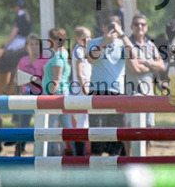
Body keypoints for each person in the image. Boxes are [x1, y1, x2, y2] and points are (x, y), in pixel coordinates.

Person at [86, 12, 138, 155]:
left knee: (115, 131)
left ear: (120, 27)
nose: (112, 30)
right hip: (97, 91)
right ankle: (96, 162)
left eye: (115, 26)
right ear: (103, 27)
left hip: (117, 92)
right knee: (97, 130)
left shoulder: (123, 44)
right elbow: (91, 59)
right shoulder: (94, 42)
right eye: (109, 26)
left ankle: (114, 161)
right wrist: (104, 43)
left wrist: (122, 34)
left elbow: (133, 55)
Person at [14, 33, 47, 156]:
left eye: (36, 44)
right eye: (31, 44)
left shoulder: (44, 61)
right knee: (23, 122)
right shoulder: (23, 60)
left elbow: (46, 81)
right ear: (26, 46)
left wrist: (32, 79)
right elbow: (17, 79)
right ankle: (20, 147)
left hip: (40, 96)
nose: (33, 47)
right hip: (25, 95)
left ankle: (40, 150)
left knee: (40, 123)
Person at [42, 27, 73, 154]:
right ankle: (76, 153)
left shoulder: (58, 56)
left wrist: (51, 97)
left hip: (57, 94)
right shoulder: (64, 53)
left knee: (51, 127)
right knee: (67, 127)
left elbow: (56, 79)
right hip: (63, 94)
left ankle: (50, 155)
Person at [70, 26, 92, 154]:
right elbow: (79, 73)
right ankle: (80, 153)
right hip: (81, 89)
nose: (88, 40)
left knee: (84, 120)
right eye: (85, 38)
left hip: (86, 88)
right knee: (82, 121)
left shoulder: (84, 50)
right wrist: (85, 89)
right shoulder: (78, 50)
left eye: (89, 37)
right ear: (77, 39)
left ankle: (83, 151)